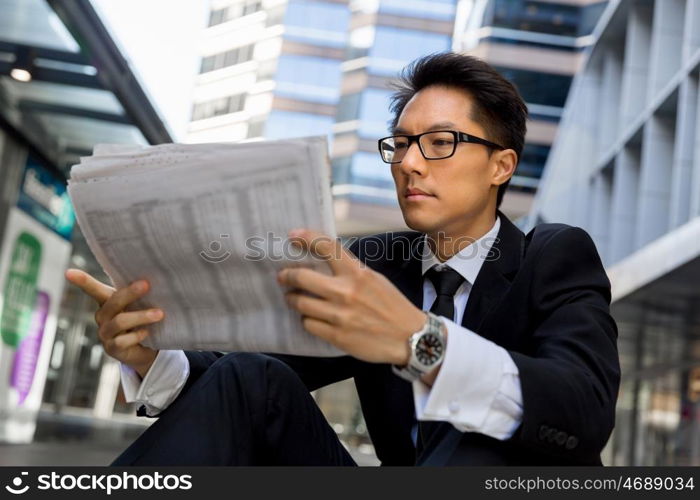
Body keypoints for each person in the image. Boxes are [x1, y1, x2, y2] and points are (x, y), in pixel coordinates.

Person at [66, 52, 620, 466]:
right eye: (400, 144)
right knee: (250, 377)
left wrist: (421, 343)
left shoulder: (553, 255)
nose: (410, 163)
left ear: (501, 166)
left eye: (441, 142)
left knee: (477, 422)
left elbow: (583, 412)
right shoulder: (378, 264)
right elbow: (255, 367)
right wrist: (151, 355)